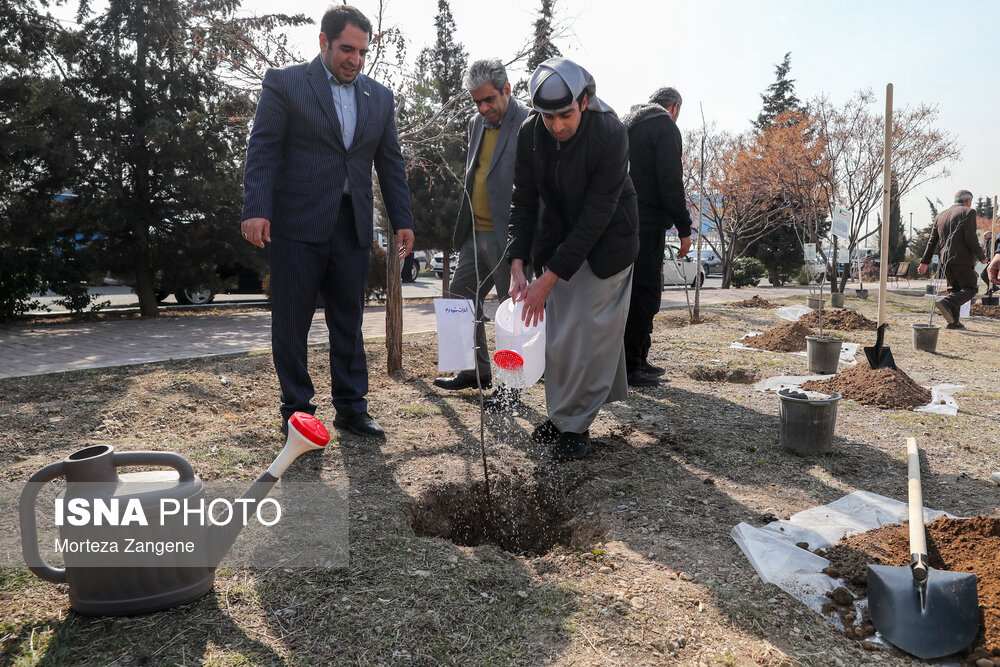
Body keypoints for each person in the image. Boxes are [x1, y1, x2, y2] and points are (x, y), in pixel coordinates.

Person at [241, 5, 414, 438]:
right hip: (296, 224)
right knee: (291, 323)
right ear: (324, 41)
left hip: (351, 225)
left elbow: (390, 163)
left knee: (349, 322)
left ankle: (352, 409)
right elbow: (263, 149)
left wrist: (402, 220)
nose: (355, 59)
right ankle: (298, 411)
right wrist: (256, 208)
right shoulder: (286, 83)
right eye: (346, 49)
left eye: (362, 51)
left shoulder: (380, 97)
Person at [506, 58, 639, 462]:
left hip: (609, 239)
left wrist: (550, 279)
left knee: (588, 327)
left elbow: (597, 215)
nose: (557, 126)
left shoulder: (610, 133)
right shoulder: (531, 133)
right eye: (548, 117)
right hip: (559, 236)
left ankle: (575, 425)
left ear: (585, 100)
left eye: (565, 115)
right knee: (563, 333)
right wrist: (518, 261)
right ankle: (564, 414)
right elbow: (523, 200)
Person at [433, 59, 530, 412]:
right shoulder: (476, 123)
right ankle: (475, 370)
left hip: (510, 236)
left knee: (510, 313)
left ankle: (511, 388)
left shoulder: (529, 122)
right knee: (460, 298)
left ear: (507, 89)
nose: (483, 108)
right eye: (477, 102)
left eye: (489, 99)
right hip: (475, 231)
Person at [621, 86, 693, 387]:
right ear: (674, 107)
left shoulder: (627, 122)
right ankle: (631, 365)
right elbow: (670, 180)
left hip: (620, 220)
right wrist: (684, 227)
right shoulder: (664, 125)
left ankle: (636, 359)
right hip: (647, 223)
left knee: (626, 294)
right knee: (646, 293)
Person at [918, 190, 984, 330]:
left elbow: (932, 241)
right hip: (963, 259)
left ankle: (954, 322)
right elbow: (971, 238)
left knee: (955, 290)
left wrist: (925, 261)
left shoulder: (940, 215)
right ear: (968, 201)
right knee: (970, 288)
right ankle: (946, 303)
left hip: (945, 261)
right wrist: (982, 258)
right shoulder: (968, 212)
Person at [981, 230, 997, 294]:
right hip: (988, 261)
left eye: (985, 235)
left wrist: (991, 261)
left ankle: (993, 287)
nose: (984, 237)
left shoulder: (992, 241)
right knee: (987, 275)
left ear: (990, 235)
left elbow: (992, 251)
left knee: (983, 275)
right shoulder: (989, 241)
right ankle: (990, 288)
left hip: (991, 261)